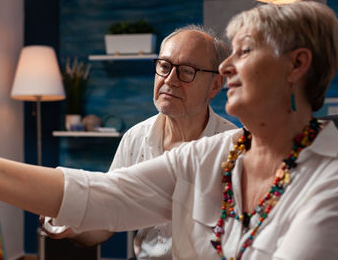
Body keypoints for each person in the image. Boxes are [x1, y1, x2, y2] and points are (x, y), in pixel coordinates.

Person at [0, 0, 338, 260]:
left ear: (296, 66)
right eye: (164, 65)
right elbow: (101, 194)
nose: (228, 69)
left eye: (243, 53)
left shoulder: (337, 178)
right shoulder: (211, 154)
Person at [40, 25, 236, 259]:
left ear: (215, 85)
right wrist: (73, 225)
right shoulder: (135, 137)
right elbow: (107, 220)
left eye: (186, 71)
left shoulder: (233, 147)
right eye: (164, 66)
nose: (170, 80)